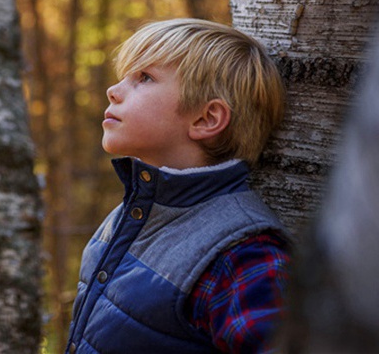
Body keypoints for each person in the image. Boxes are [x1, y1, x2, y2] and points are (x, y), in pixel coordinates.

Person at [64, 18, 291, 354]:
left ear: (206, 119)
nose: (113, 90)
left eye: (145, 78)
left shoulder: (242, 253)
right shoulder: (133, 213)